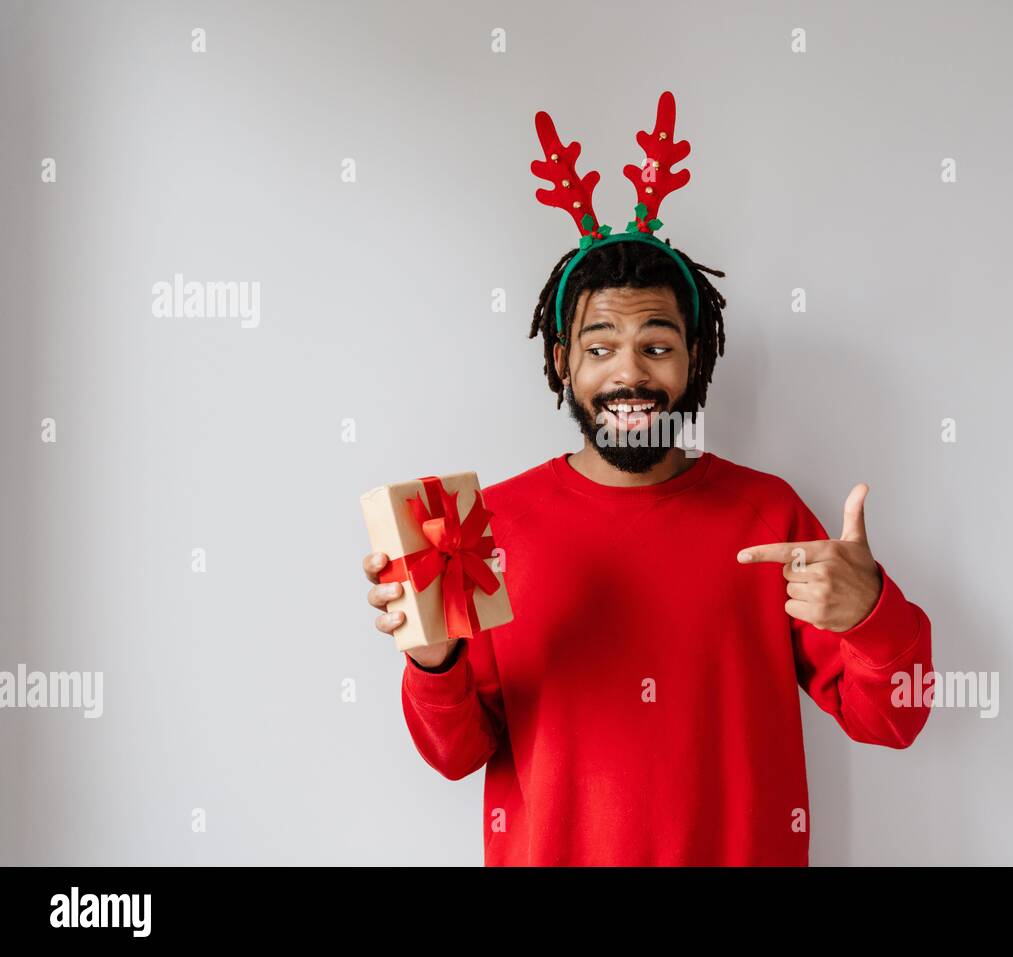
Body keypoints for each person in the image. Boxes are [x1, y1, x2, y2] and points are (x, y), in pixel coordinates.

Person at [361, 92, 934, 865]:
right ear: (562, 361)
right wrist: (432, 657)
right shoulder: (481, 527)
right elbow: (457, 752)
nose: (629, 371)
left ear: (694, 358)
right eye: (599, 347)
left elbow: (893, 719)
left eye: (657, 345)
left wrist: (872, 615)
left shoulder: (769, 514)